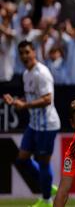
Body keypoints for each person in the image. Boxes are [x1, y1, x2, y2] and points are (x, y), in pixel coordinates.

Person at [2, 40, 60, 207]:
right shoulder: (26, 74)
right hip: (34, 124)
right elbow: (31, 98)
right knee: (22, 159)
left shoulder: (41, 72)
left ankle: (47, 200)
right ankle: (48, 187)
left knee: (43, 162)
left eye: (27, 52)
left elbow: (48, 99)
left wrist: (25, 105)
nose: (25, 56)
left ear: (34, 52)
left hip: (47, 124)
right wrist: (14, 101)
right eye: (22, 53)